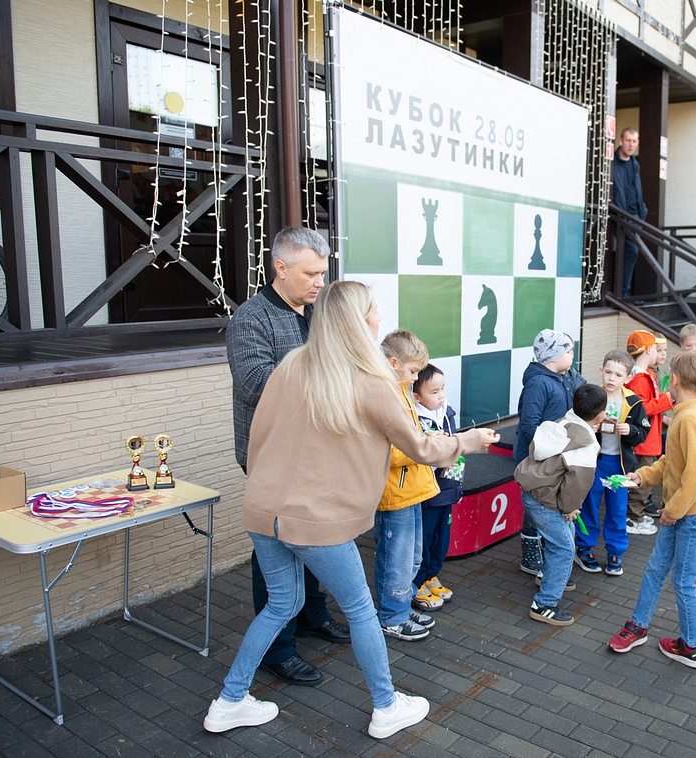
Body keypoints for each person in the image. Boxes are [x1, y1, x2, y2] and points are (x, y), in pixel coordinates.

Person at [204, 281, 497, 737]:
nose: (379, 317)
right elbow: (420, 446)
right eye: (374, 310)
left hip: (264, 511)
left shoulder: (292, 364)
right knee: (361, 609)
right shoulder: (369, 378)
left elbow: (259, 433)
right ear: (360, 322)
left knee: (281, 604)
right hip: (315, 521)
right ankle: (385, 707)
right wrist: (468, 442)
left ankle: (229, 700)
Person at [225, 226, 348, 689]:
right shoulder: (250, 318)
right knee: (273, 551)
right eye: (310, 273)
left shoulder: (317, 313)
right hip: (269, 455)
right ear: (280, 267)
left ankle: (311, 616)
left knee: (310, 533)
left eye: (323, 272)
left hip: (313, 452)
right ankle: (278, 650)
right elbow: (254, 384)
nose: (320, 282)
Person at [607, 350, 696, 668]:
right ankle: (638, 626)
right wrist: (640, 476)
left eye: (670, 375)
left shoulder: (692, 420)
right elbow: (672, 464)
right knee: (655, 571)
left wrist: (672, 510)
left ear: (678, 379)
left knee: (683, 581)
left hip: (690, 516)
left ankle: (692, 647)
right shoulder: (686, 413)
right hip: (680, 513)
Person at [514, 384, 607, 625]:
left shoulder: (565, 420)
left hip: (532, 491)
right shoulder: (586, 445)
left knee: (564, 536)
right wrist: (569, 509)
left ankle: (552, 575)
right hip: (546, 501)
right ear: (601, 415)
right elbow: (577, 484)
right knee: (564, 548)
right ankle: (544, 604)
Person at [374, 330, 440, 641]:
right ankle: (392, 615)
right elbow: (387, 449)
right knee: (396, 560)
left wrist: (425, 441)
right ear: (394, 362)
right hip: (395, 492)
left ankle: (399, 604)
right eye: (413, 371)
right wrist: (423, 446)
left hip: (411, 487)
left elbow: (410, 439)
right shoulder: (384, 392)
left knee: (411, 557)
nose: (416, 379)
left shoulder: (400, 388)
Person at [575, 351, 649, 576]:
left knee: (617, 509)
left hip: (620, 466)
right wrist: (589, 428)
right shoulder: (592, 396)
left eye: (618, 374)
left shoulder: (634, 402)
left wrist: (631, 430)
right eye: (608, 372)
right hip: (595, 462)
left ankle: (616, 551)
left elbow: (643, 431)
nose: (611, 379)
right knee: (589, 503)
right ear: (601, 371)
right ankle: (584, 548)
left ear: (627, 378)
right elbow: (575, 423)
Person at [515, 329, 580, 576]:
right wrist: (548, 449)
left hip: (555, 455)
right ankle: (531, 558)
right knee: (536, 507)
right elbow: (529, 424)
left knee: (547, 506)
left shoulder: (566, 377)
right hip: (538, 458)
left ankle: (547, 553)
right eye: (568, 351)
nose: (572, 355)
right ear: (554, 355)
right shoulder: (539, 383)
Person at [412, 364, 461, 612]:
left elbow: (457, 452)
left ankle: (432, 576)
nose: (441, 395)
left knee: (442, 538)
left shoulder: (447, 413)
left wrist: (456, 486)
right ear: (416, 396)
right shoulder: (415, 420)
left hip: (447, 489)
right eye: (434, 391)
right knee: (424, 538)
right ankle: (418, 582)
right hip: (427, 493)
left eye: (442, 389)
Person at [625, 330, 673, 536]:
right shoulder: (639, 379)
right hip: (643, 441)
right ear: (648, 350)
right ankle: (633, 518)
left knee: (645, 477)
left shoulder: (647, 375)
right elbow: (641, 409)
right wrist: (668, 399)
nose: (659, 353)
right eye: (656, 349)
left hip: (649, 438)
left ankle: (638, 513)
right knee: (642, 479)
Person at [611, 127, 648, 297]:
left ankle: (624, 292)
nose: (631, 144)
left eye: (634, 141)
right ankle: (623, 293)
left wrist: (642, 212)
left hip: (634, 216)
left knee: (631, 252)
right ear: (620, 141)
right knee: (632, 251)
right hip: (619, 216)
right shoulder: (612, 161)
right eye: (628, 140)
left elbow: (636, 191)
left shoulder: (635, 163)